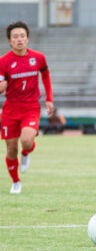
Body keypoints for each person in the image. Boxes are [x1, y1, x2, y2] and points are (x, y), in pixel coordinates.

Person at [0, 21, 53, 194]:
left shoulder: (38, 57)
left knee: (27, 140)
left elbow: (45, 75)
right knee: (11, 149)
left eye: (22, 36)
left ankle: (26, 153)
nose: (19, 39)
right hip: (10, 109)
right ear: (9, 41)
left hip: (31, 107)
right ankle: (16, 182)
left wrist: (49, 99)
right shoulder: (3, 61)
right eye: (15, 37)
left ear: (28, 38)